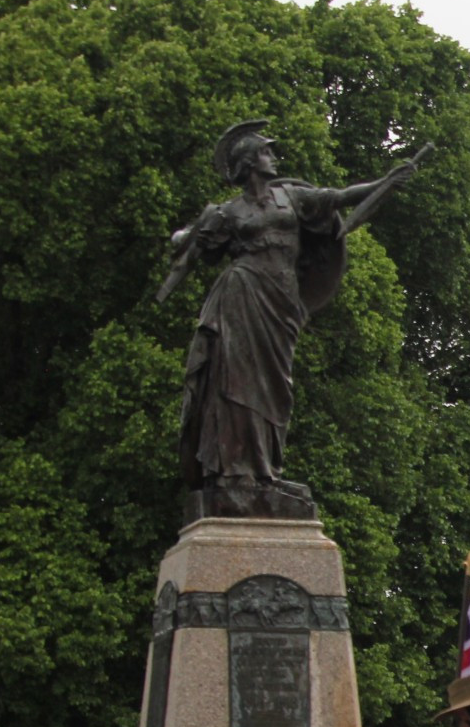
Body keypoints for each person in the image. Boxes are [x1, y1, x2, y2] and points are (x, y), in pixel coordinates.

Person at [166, 119, 416, 501]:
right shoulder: (228, 212)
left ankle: (267, 470)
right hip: (240, 294)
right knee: (236, 382)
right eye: (266, 151)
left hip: (281, 299)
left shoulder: (292, 198)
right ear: (249, 162)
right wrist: (185, 237)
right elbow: (192, 245)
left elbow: (341, 196)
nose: (273, 156)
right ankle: (237, 473)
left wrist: (385, 182)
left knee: (275, 386)